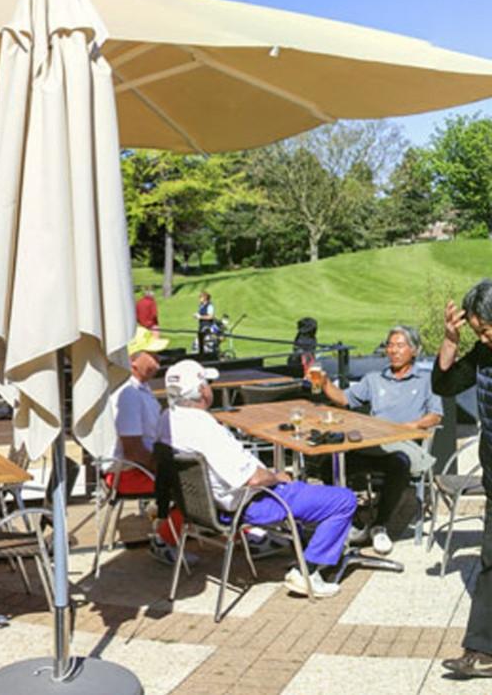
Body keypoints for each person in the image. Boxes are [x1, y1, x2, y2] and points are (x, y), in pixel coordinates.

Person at [158, 359, 357, 598]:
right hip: (252, 503)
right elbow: (251, 479)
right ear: (201, 390)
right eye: (208, 383)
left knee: (306, 494)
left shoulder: (167, 420)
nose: (211, 387)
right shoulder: (205, 428)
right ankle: (308, 571)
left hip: (203, 508)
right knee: (343, 499)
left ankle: (305, 545)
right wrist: (277, 476)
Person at [317, 325, 441, 555]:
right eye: (390, 345)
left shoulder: (426, 381)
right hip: (371, 446)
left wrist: (409, 427)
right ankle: (352, 521)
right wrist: (324, 383)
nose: (393, 350)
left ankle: (379, 525)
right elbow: (344, 399)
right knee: (328, 466)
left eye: (400, 345)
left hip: (402, 448)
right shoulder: (374, 379)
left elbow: (435, 415)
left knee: (400, 463)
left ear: (414, 351)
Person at [431, 279, 492, 679]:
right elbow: (446, 384)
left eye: (486, 329)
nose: (484, 338)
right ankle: (482, 650)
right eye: (477, 332)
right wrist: (450, 342)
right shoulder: (483, 353)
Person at [107, 328, 186, 564]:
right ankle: (164, 538)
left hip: (131, 469)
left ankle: (165, 520)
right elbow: (134, 451)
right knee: (197, 485)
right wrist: (165, 468)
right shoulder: (129, 393)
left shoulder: (138, 388)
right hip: (130, 474)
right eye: (152, 355)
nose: (158, 360)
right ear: (133, 360)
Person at [195, 291, 216, 355]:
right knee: (198, 344)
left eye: (200, 297)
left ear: (204, 298)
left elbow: (211, 317)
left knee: (207, 344)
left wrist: (200, 317)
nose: (199, 299)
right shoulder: (201, 306)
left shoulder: (210, 306)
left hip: (207, 328)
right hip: (201, 327)